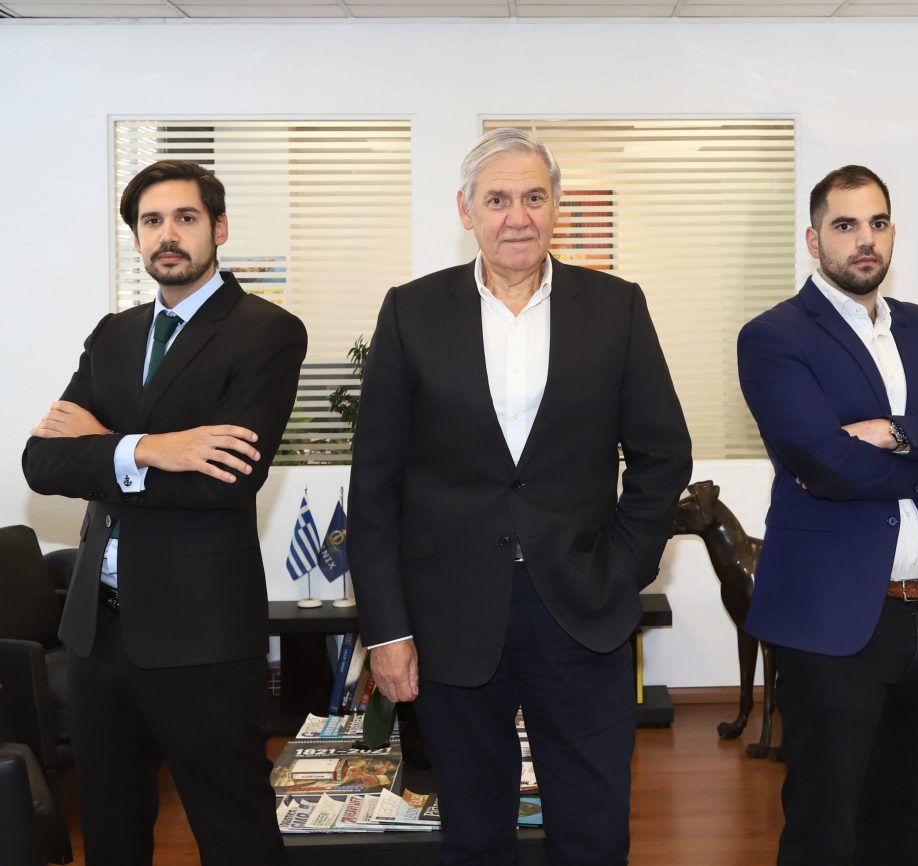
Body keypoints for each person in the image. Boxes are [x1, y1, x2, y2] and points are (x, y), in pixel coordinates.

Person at [348, 127, 692, 866]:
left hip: (581, 604)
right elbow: (374, 483)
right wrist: (387, 630)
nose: (517, 217)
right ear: (466, 210)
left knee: (594, 830)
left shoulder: (616, 307)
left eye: (534, 198)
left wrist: (622, 564)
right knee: (474, 832)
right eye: (497, 199)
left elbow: (664, 454)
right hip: (450, 612)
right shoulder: (412, 311)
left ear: (556, 207)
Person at [22, 160, 307, 865]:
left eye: (185, 217)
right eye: (151, 221)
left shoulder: (266, 331)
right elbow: (41, 462)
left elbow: (227, 481)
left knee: (235, 831)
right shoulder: (113, 336)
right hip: (96, 631)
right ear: (137, 237)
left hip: (200, 632)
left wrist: (104, 445)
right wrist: (154, 447)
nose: (167, 235)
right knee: (111, 832)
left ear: (220, 228)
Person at [737, 164, 918, 865]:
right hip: (832, 623)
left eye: (878, 222)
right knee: (825, 829)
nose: (866, 239)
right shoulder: (774, 336)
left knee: (907, 822)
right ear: (814, 240)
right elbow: (825, 466)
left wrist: (894, 431)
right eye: (846, 224)